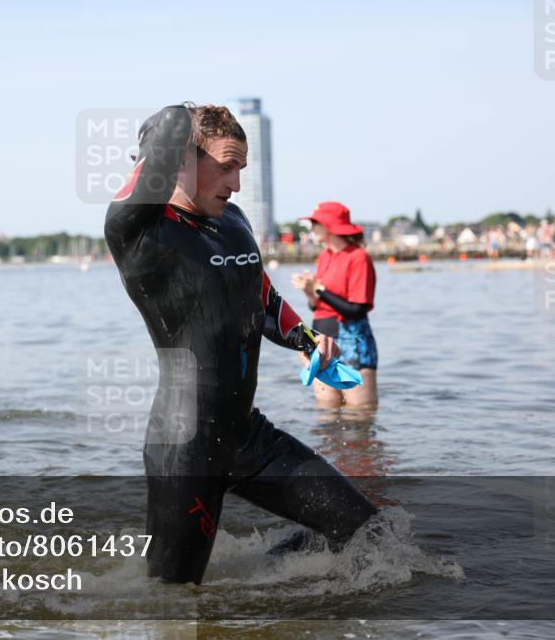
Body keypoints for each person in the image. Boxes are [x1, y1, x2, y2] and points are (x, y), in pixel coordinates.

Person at [104, 104, 376, 585]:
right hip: (185, 446)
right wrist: (188, 121)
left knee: (368, 532)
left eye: (241, 169)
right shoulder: (139, 231)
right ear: (181, 160)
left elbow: (263, 296)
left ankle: (260, 587)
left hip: (248, 437)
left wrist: (308, 339)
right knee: (173, 600)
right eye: (225, 166)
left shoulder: (234, 220)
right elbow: (167, 124)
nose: (235, 182)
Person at [291, 202, 379, 408]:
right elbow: (318, 307)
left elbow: (357, 310)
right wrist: (310, 292)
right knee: (327, 416)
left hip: (352, 343)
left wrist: (319, 290)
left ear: (330, 226)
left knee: (360, 416)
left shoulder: (358, 257)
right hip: (321, 340)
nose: (312, 227)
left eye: (315, 222)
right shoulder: (325, 257)